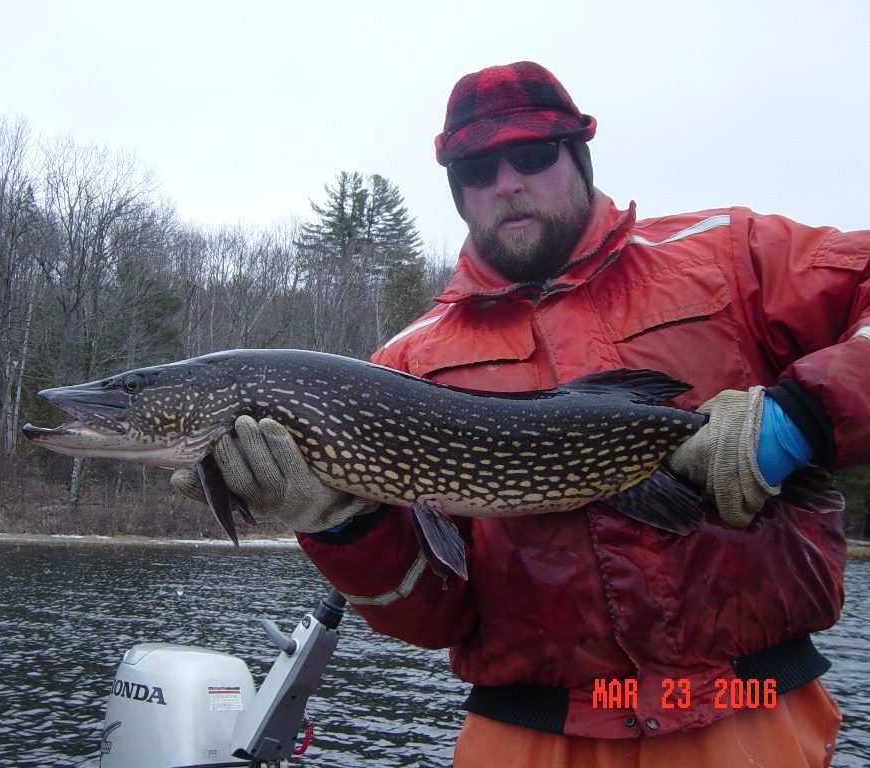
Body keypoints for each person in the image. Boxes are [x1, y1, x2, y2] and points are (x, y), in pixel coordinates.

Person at [172, 61, 869, 766]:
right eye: (478, 169)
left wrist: (801, 416)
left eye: (533, 155)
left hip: (746, 712)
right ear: (459, 194)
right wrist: (340, 523)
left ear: (579, 156)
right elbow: (433, 611)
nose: (508, 182)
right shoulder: (404, 365)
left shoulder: (727, 254)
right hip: (528, 733)